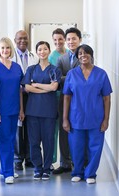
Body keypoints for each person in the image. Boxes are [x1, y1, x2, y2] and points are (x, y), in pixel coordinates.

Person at [63, 44, 112, 184]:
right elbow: (66, 97)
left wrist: (106, 119)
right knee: (76, 146)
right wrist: (65, 119)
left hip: (96, 117)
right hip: (76, 118)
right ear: (77, 57)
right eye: (80, 54)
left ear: (91, 55)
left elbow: (107, 98)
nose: (83, 56)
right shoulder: (72, 74)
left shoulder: (101, 74)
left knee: (95, 147)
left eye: (86, 53)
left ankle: (90, 173)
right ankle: (77, 171)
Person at [22, 41, 61, 180]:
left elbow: (54, 87)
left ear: (49, 51)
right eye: (40, 49)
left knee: (48, 141)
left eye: (45, 49)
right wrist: (45, 88)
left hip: (49, 111)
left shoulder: (55, 70)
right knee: (33, 142)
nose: (42, 51)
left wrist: (37, 85)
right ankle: (37, 167)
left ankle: (46, 168)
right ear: (37, 52)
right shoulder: (31, 69)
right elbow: (27, 87)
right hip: (33, 111)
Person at [0, 37, 24, 184]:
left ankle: (5, 169)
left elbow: (20, 90)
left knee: (11, 140)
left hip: (14, 108)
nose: (5, 50)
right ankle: (9, 172)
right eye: (2, 48)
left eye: (7, 48)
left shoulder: (16, 67)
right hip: (1, 110)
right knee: (4, 140)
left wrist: (22, 109)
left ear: (11, 49)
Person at [53, 27, 82, 175]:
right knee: (64, 131)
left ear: (79, 40)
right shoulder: (61, 59)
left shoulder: (85, 55)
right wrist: (73, 76)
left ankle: (79, 163)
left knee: (79, 131)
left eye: (73, 39)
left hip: (80, 101)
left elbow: (83, 77)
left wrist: (67, 77)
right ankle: (65, 163)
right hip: (64, 100)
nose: (71, 42)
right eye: (68, 39)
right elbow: (57, 79)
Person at [12, 30, 39, 171]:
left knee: (30, 127)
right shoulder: (10, 56)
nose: (23, 41)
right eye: (19, 38)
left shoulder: (34, 57)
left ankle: (29, 157)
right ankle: (17, 158)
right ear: (15, 40)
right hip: (15, 95)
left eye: (25, 38)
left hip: (31, 96)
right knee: (17, 128)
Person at [48, 28, 68, 169]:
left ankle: (68, 159)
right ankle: (53, 160)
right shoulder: (51, 57)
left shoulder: (71, 54)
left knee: (66, 128)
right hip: (55, 96)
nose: (57, 42)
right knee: (54, 129)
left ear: (65, 39)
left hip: (69, 96)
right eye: (55, 40)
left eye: (60, 39)